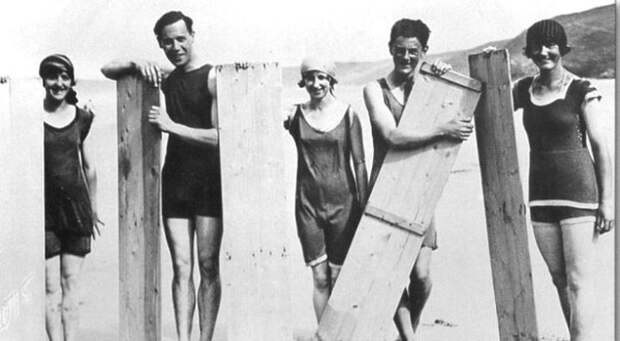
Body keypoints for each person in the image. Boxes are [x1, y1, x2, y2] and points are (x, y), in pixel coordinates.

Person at [101, 11, 222, 341]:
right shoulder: (168, 77)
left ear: (193, 36)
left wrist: (172, 127)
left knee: (208, 265)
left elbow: (220, 137)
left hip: (209, 182)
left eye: (181, 39)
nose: (175, 46)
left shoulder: (212, 77)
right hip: (176, 181)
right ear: (160, 43)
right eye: (167, 42)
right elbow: (108, 69)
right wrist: (138, 61)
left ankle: (205, 338)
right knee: (182, 267)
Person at [362, 19, 473, 340]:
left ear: (424, 51)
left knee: (421, 275)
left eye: (414, 51)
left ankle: (412, 327)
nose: (406, 57)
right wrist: (442, 129)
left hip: (422, 190)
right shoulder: (375, 90)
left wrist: (442, 74)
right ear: (390, 50)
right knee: (392, 274)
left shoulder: (428, 87)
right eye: (399, 51)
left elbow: (461, 108)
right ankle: (409, 337)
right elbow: (392, 135)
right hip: (384, 191)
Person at [510, 19, 613, 341]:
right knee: (559, 280)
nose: (544, 52)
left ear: (562, 48)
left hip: (579, 196)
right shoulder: (523, 89)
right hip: (541, 197)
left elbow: (600, 147)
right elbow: (485, 102)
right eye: (537, 46)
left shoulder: (582, 89)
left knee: (579, 281)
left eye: (551, 45)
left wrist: (608, 202)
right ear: (529, 51)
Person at [285, 58, 368, 321]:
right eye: (310, 77)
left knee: (338, 276)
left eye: (321, 77)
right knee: (320, 278)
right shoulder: (294, 115)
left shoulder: (349, 114)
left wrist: (365, 206)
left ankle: (340, 334)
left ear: (331, 80)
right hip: (308, 206)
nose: (316, 83)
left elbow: (360, 163)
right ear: (303, 81)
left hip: (344, 206)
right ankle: (325, 335)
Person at [42, 54, 102, 341]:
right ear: (43, 79)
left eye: (65, 77)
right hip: (44, 215)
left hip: (77, 211)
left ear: (72, 80)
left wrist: (95, 209)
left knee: (71, 285)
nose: (58, 83)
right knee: (51, 289)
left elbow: (90, 167)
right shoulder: (31, 116)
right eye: (53, 76)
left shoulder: (82, 117)